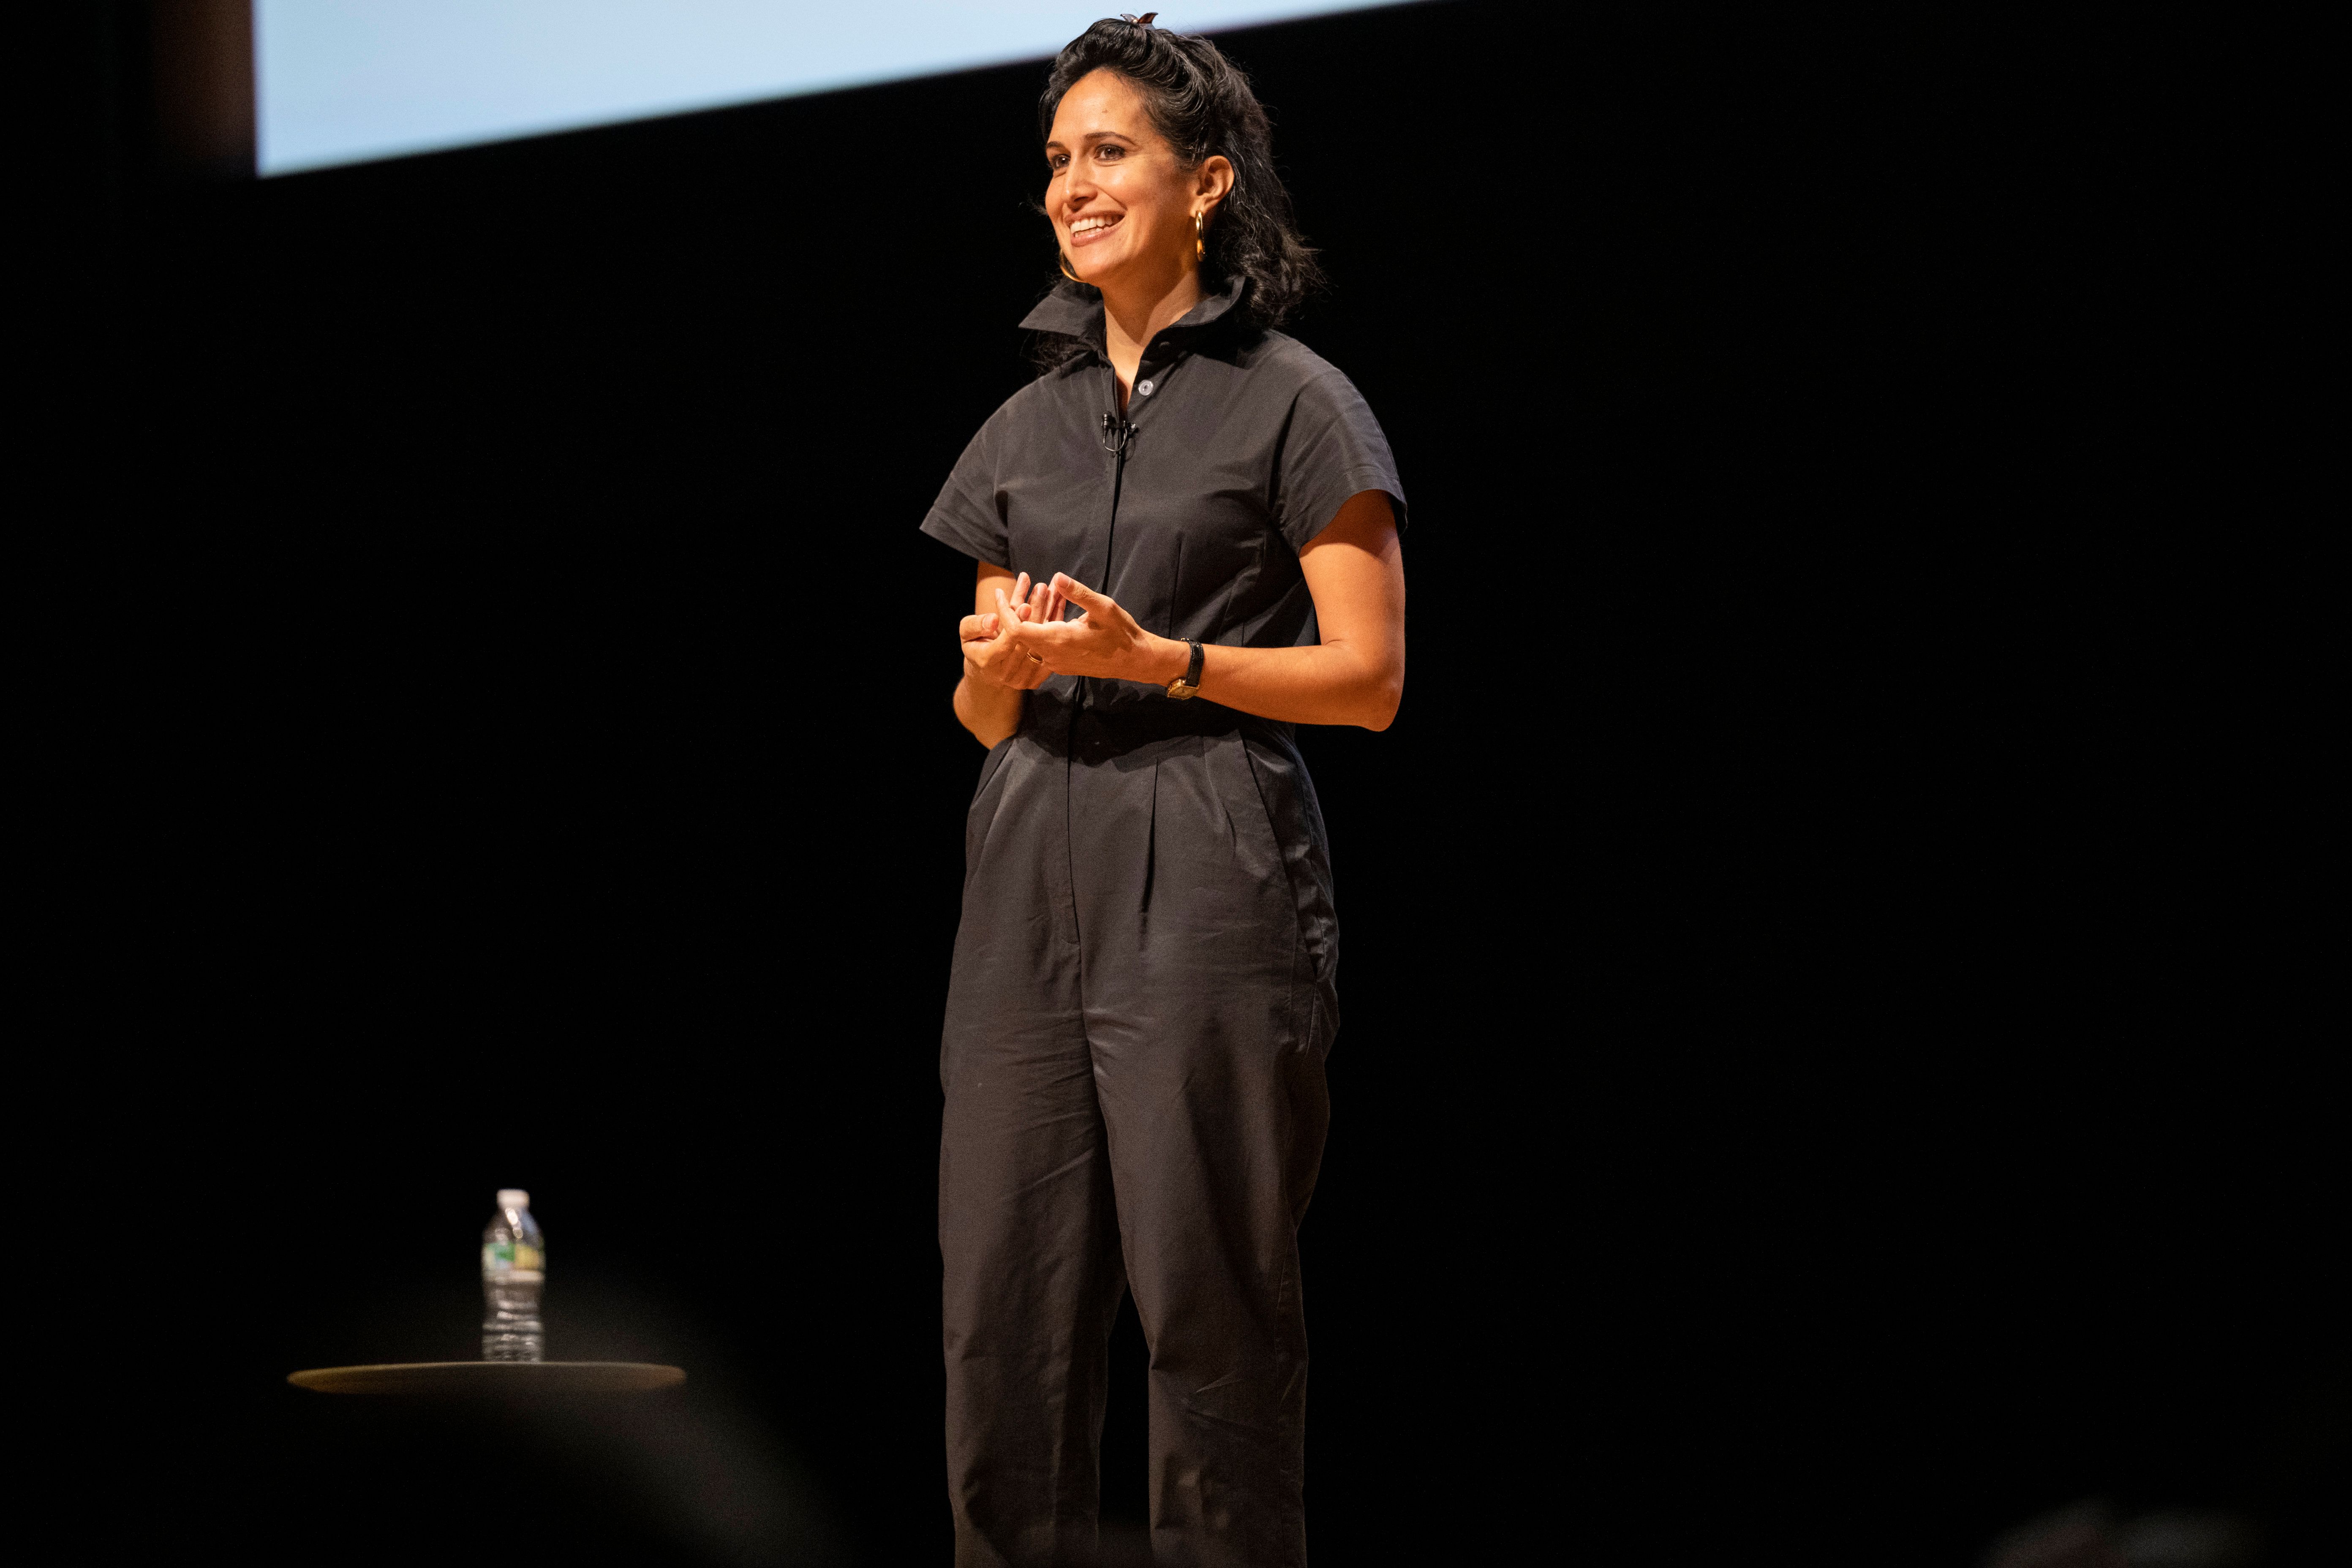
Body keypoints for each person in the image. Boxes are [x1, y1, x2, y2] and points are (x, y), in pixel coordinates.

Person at [920, 19, 1407, 1567]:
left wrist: (1162, 663)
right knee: (1002, 1316)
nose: (1073, 185)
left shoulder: (1294, 400)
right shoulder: (1022, 426)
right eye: (1059, 160)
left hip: (1208, 868)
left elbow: (1371, 679)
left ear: (1205, 183)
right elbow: (982, 717)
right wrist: (997, 662)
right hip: (1025, 884)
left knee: (1207, 1319)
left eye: (1109, 152)